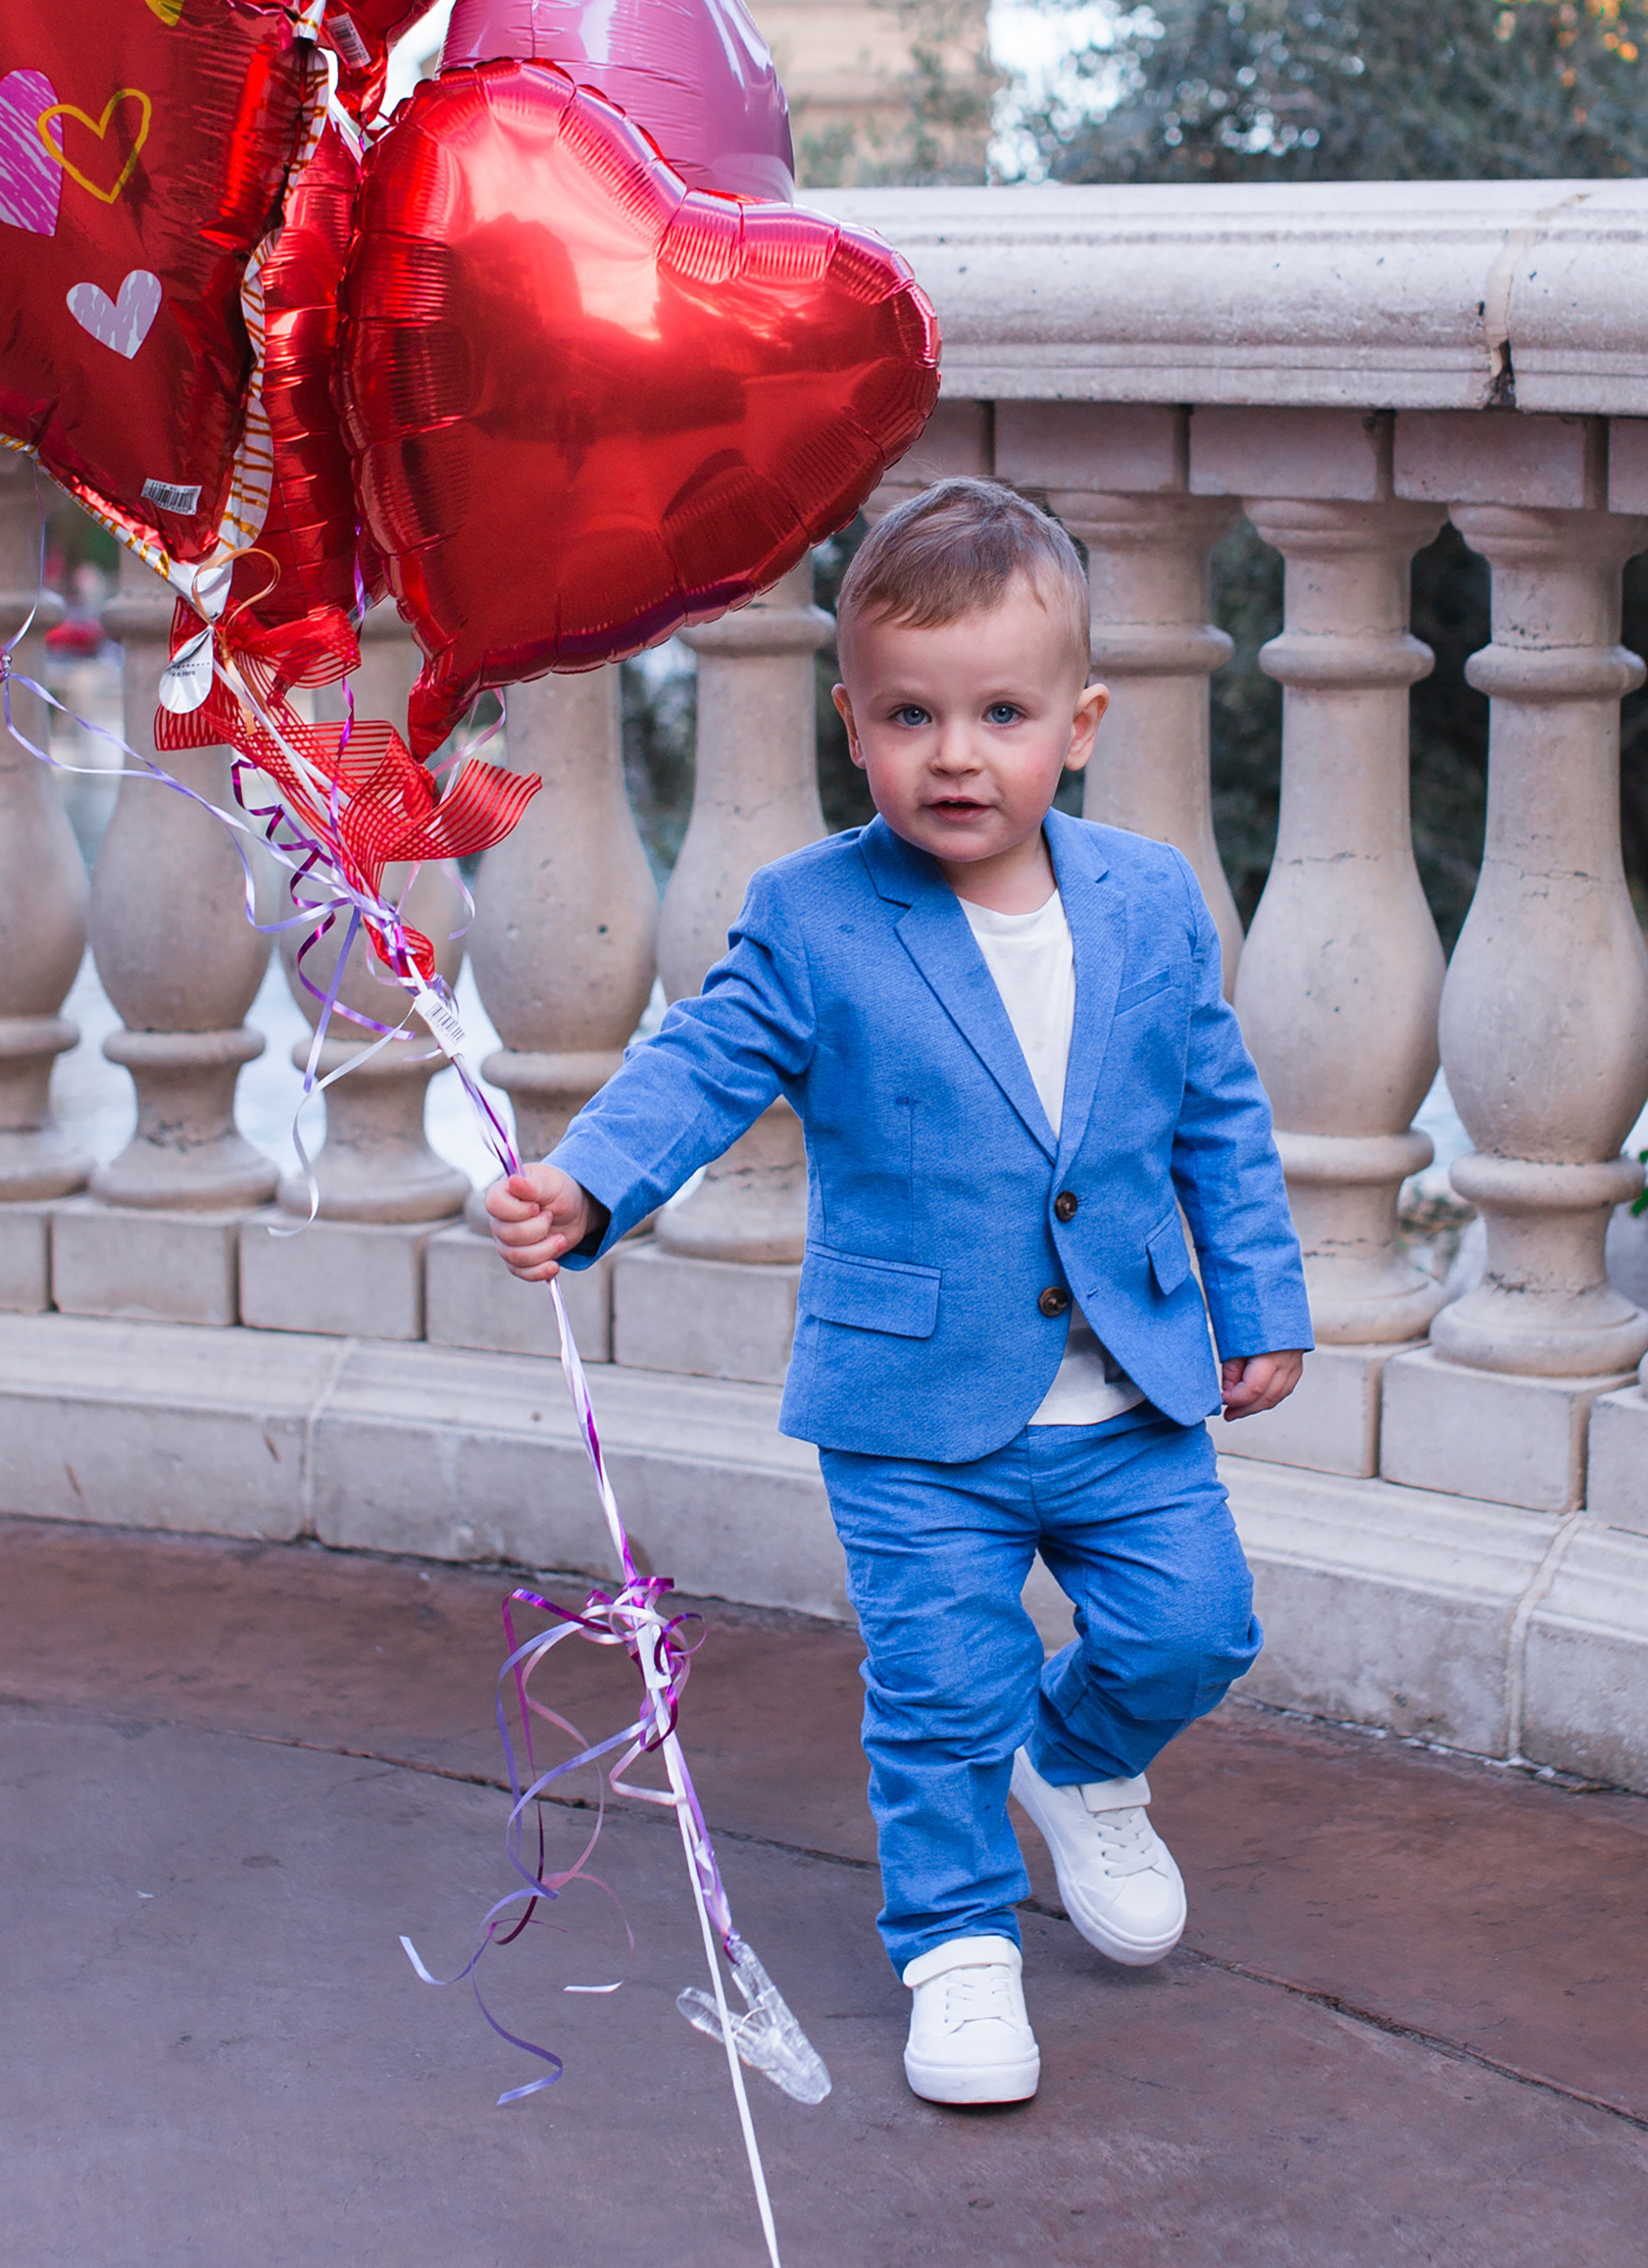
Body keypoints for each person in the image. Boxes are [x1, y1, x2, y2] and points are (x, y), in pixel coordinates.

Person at [486, 478, 1312, 2106]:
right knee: (939, 1686)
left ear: (1075, 725)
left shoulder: (1147, 898)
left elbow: (1216, 1111)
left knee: (1196, 1631)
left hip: (1131, 1389)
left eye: (1000, 713)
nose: (955, 754)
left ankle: (1076, 1768)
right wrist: (585, 1184)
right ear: (850, 724)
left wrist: (1260, 1301)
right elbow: (702, 1062)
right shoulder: (813, 916)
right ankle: (956, 1949)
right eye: (910, 716)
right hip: (911, 1408)